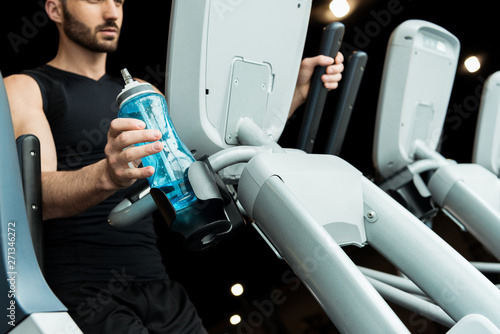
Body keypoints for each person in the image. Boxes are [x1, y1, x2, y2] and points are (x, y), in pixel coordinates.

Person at [4, 0, 344, 333]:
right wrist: (107, 175)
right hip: (83, 293)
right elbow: (37, 197)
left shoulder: (145, 95)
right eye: (95, 0)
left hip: (158, 284)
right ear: (55, 9)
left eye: (120, 2)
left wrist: (294, 94)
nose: (112, 13)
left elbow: (208, 157)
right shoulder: (26, 87)